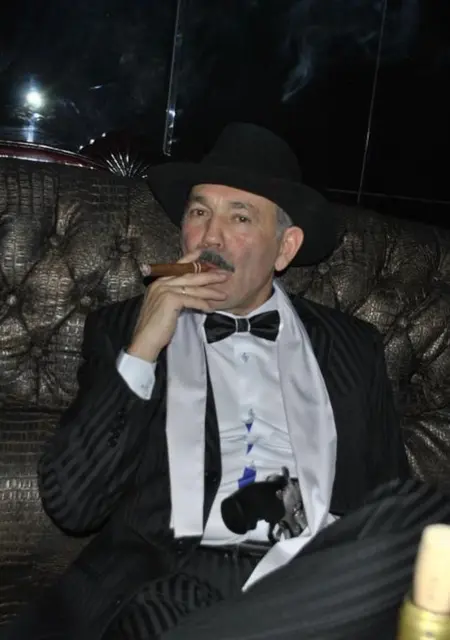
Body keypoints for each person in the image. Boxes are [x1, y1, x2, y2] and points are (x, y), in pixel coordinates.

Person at [4, 123, 449, 640]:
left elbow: (386, 506)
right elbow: (73, 505)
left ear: (285, 248)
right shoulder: (122, 329)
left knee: (425, 514)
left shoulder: (354, 345)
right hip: (175, 585)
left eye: (239, 217)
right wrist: (145, 346)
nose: (210, 237)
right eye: (199, 213)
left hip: (314, 579)